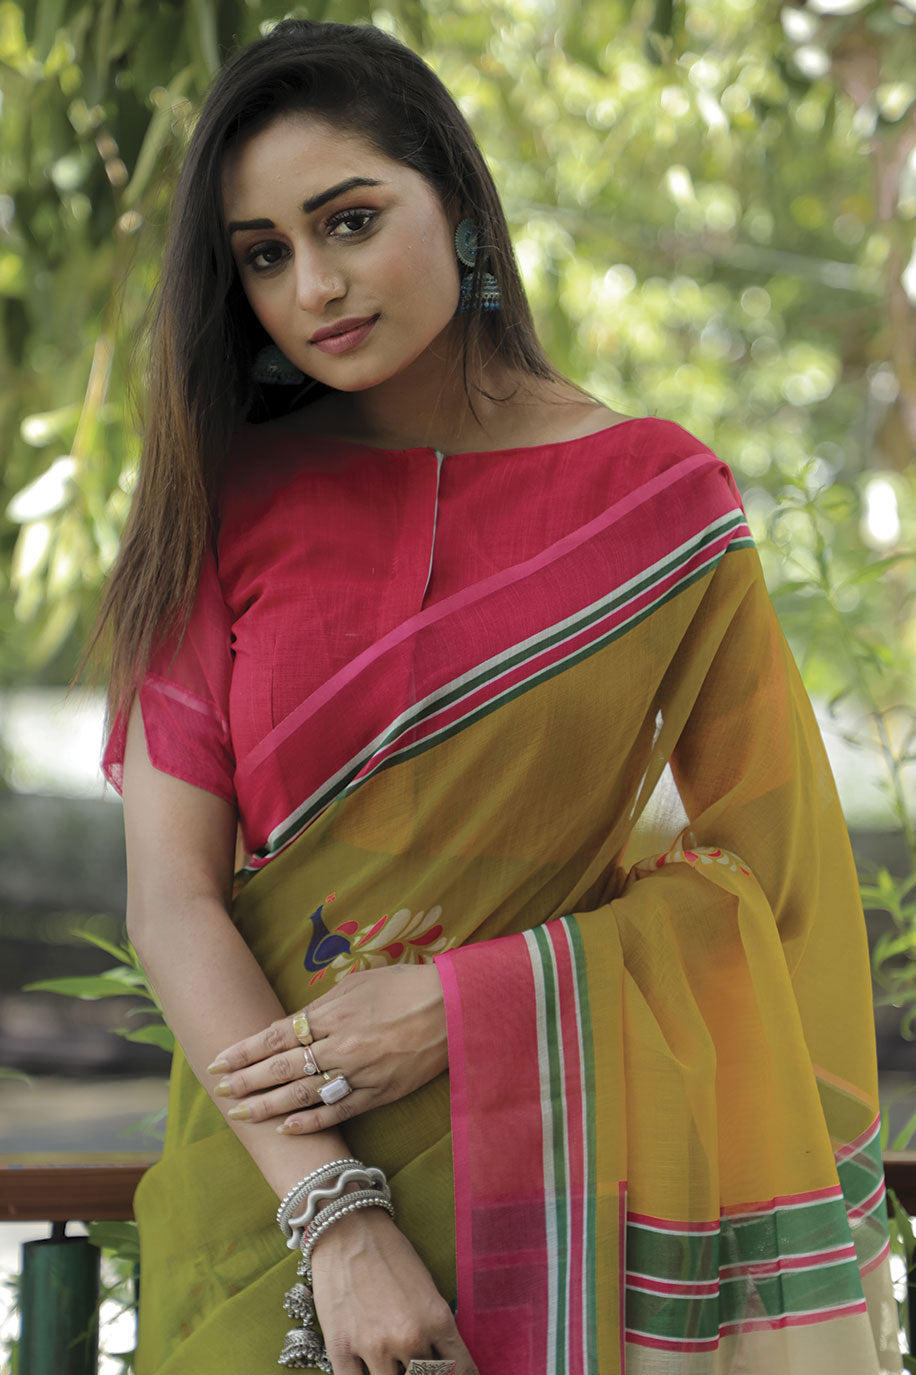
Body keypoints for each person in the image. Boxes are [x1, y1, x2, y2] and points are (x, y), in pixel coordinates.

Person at [97, 17, 901, 1375]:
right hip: (272, 1205)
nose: (314, 285)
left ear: (461, 207)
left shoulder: (659, 507)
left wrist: (478, 998)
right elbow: (171, 899)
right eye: (265, 255)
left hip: (571, 1179)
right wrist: (339, 1222)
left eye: (350, 221)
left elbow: (770, 880)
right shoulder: (218, 499)